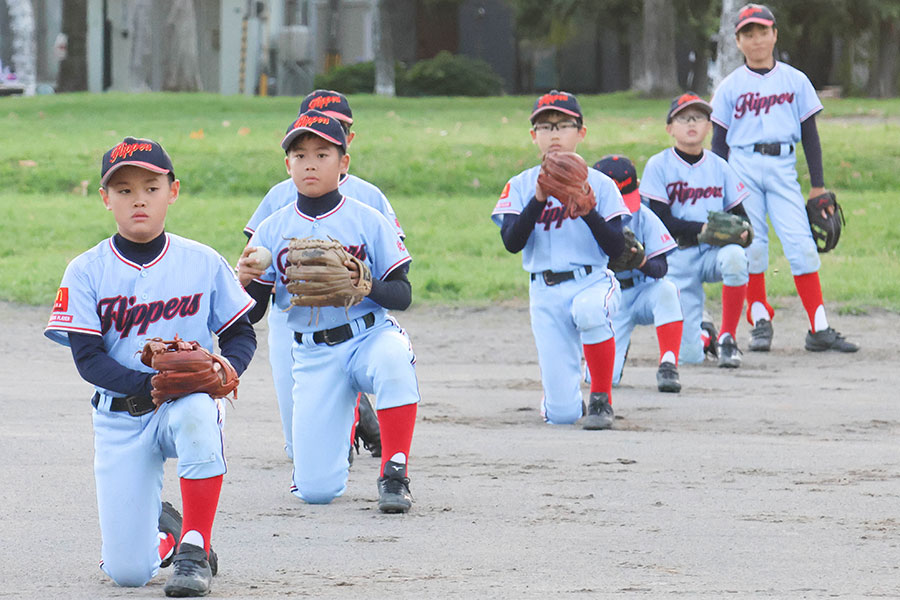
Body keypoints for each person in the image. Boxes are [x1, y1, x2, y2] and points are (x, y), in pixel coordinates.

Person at [44, 137, 257, 597]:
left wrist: (224, 372)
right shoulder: (86, 270)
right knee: (128, 573)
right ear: (105, 199)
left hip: (186, 405)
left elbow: (241, 333)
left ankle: (195, 548)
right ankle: (170, 533)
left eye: (150, 186)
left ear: (172, 192)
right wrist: (152, 384)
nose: (138, 198)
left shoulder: (202, 261)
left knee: (200, 410)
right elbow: (88, 358)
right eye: (123, 190)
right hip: (120, 415)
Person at [242, 110, 419, 513]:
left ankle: (395, 471)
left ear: (344, 163)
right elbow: (253, 314)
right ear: (287, 164)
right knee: (316, 490)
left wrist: (365, 285)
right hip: (313, 354)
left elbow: (403, 294)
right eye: (299, 154)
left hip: (368, 336)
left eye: (322, 154)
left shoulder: (369, 220)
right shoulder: (273, 228)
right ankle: (342, 433)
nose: (309, 163)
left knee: (394, 358)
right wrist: (246, 281)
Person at [710, 3, 858, 353]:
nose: (757, 39)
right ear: (738, 41)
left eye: (763, 31)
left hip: (782, 167)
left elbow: (810, 135)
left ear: (775, 34)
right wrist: (717, 187)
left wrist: (817, 184)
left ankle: (818, 327)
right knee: (753, 246)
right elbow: (718, 141)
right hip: (742, 165)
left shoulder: (795, 80)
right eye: (749, 33)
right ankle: (759, 318)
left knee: (802, 245)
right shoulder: (730, 86)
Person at [491, 90, 628, 430]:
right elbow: (512, 242)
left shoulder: (601, 184)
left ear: (581, 133)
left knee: (590, 310)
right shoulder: (521, 185)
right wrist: (539, 198)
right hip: (545, 292)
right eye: (545, 126)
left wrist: (588, 211)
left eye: (564, 125)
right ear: (533, 135)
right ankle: (559, 400)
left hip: (593, 280)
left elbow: (616, 249)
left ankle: (601, 396)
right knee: (563, 416)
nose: (554, 134)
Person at [641, 93, 751, 368]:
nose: (692, 124)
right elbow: (661, 221)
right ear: (670, 128)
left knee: (736, 257)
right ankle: (705, 334)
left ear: (709, 126)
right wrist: (703, 228)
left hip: (713, 254)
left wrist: (745, 234)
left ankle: (727, 338)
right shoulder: (659, 165)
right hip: (678, 257)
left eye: (699, 117)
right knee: (689, 357)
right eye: (683, 118)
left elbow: (743, 220)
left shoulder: (719, 166)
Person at [593, 155, 683, 392]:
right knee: (601, 381)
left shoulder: (644, 215)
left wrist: (641, 262)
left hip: (642, 290)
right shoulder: (585, 220)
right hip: (609, 298)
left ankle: (668, 362)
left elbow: (661, 268)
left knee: (667, 290)